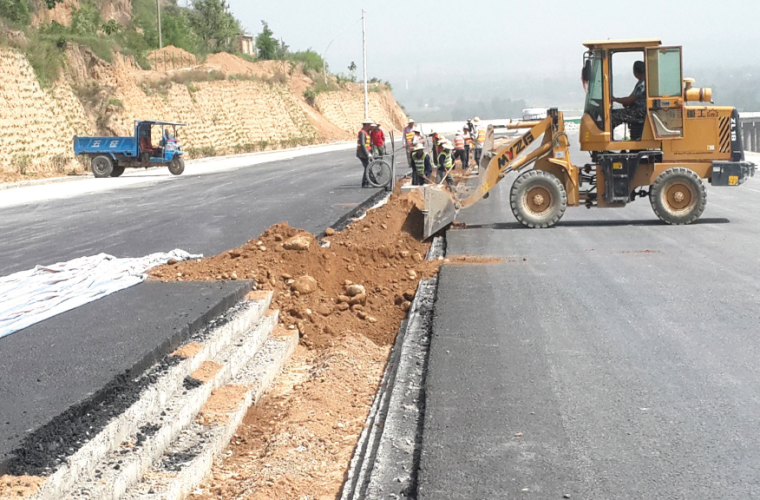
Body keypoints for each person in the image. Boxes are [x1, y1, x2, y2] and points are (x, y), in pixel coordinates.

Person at [611, 61, 647, 136]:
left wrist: (615, 99)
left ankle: (607, 137)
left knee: (613, 117)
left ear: (635, 72)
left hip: (640, 112)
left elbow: (629, 99)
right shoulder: (642, 82)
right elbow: (630, 99)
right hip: (638, 110)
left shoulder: (642, 84)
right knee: (613, 112)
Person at [356, 120, 374, 187]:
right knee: (367, 167)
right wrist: (367, 154)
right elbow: (363, 145)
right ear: (366, 125)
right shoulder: (362, 133)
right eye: (369, 125)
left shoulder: (366, 132)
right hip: (362, 153)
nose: (370, 126)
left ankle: (368, 181)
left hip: (366, 152)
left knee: (368, 166)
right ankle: (365, 183)